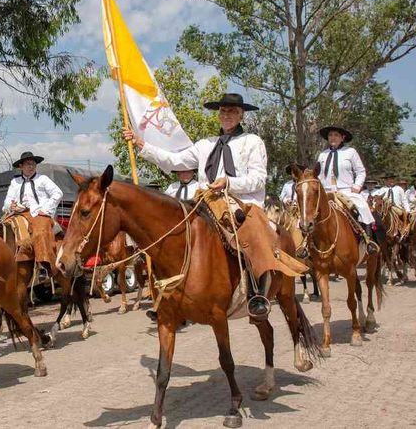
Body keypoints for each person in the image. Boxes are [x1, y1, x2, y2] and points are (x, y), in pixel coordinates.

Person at [124, 93, 295, 319]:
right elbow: (174, 160)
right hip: (205, 202)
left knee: (252, 233)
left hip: (241, 202)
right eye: (223, 111)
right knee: (173, 234)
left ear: (241, 114)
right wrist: (142, 145)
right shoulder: (205, 145)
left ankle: (256, 293)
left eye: (232, 111)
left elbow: (258, 179)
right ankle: (169, 295)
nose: (227, 115)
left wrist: (229, 182)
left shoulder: (252, 142)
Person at [315, 126, 379, 254]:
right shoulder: (323, 155)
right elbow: (319, 175)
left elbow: (360, 171)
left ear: (342, 137)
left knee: (362, 206)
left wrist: (356, 186)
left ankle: (368, 240)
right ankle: (306, 244)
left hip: (346, 190)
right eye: (330, 135)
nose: (332, 138)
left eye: (336, 135)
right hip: (326, 191)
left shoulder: (350, 152)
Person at [3, 151, 64, 272]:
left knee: (40, 230)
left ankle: (44, 265)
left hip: (39, 214)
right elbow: (7, 201)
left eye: (33, 164)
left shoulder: (43, 179)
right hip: (20, 213)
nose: (31, 167)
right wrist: (11, 206)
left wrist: (45, 210)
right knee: (1, 227)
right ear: (21, 166)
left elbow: (58, 193)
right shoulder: (15, 182)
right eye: (28, 164)